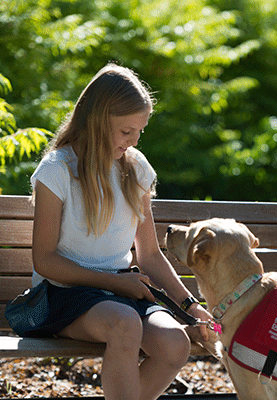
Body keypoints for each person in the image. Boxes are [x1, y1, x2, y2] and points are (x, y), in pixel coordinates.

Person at [28, 63, 211, 400]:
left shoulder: (136, 167)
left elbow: (151, 254)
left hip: (121, 294)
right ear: (97, 120)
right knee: (125, 324)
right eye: (127, 131)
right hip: (63, 294)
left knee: (174, 343)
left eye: (140, 131)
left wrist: (190, 305)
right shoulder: (57, 170)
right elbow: (45, 261)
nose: (134, 140)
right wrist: (117, 282)